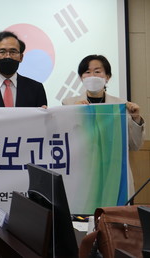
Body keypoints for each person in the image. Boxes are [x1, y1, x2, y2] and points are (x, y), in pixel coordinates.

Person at [62, 55, 145, 192]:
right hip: (83, 174)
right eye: (87, 72)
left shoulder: (121, 105)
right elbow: (65, 141)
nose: (92, 76)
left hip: (114, 175)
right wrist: (73, 113)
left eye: (97, 71)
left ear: (108, 76)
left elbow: (135, 145)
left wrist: (136, 118)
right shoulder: (69, 103)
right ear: (81, 77)